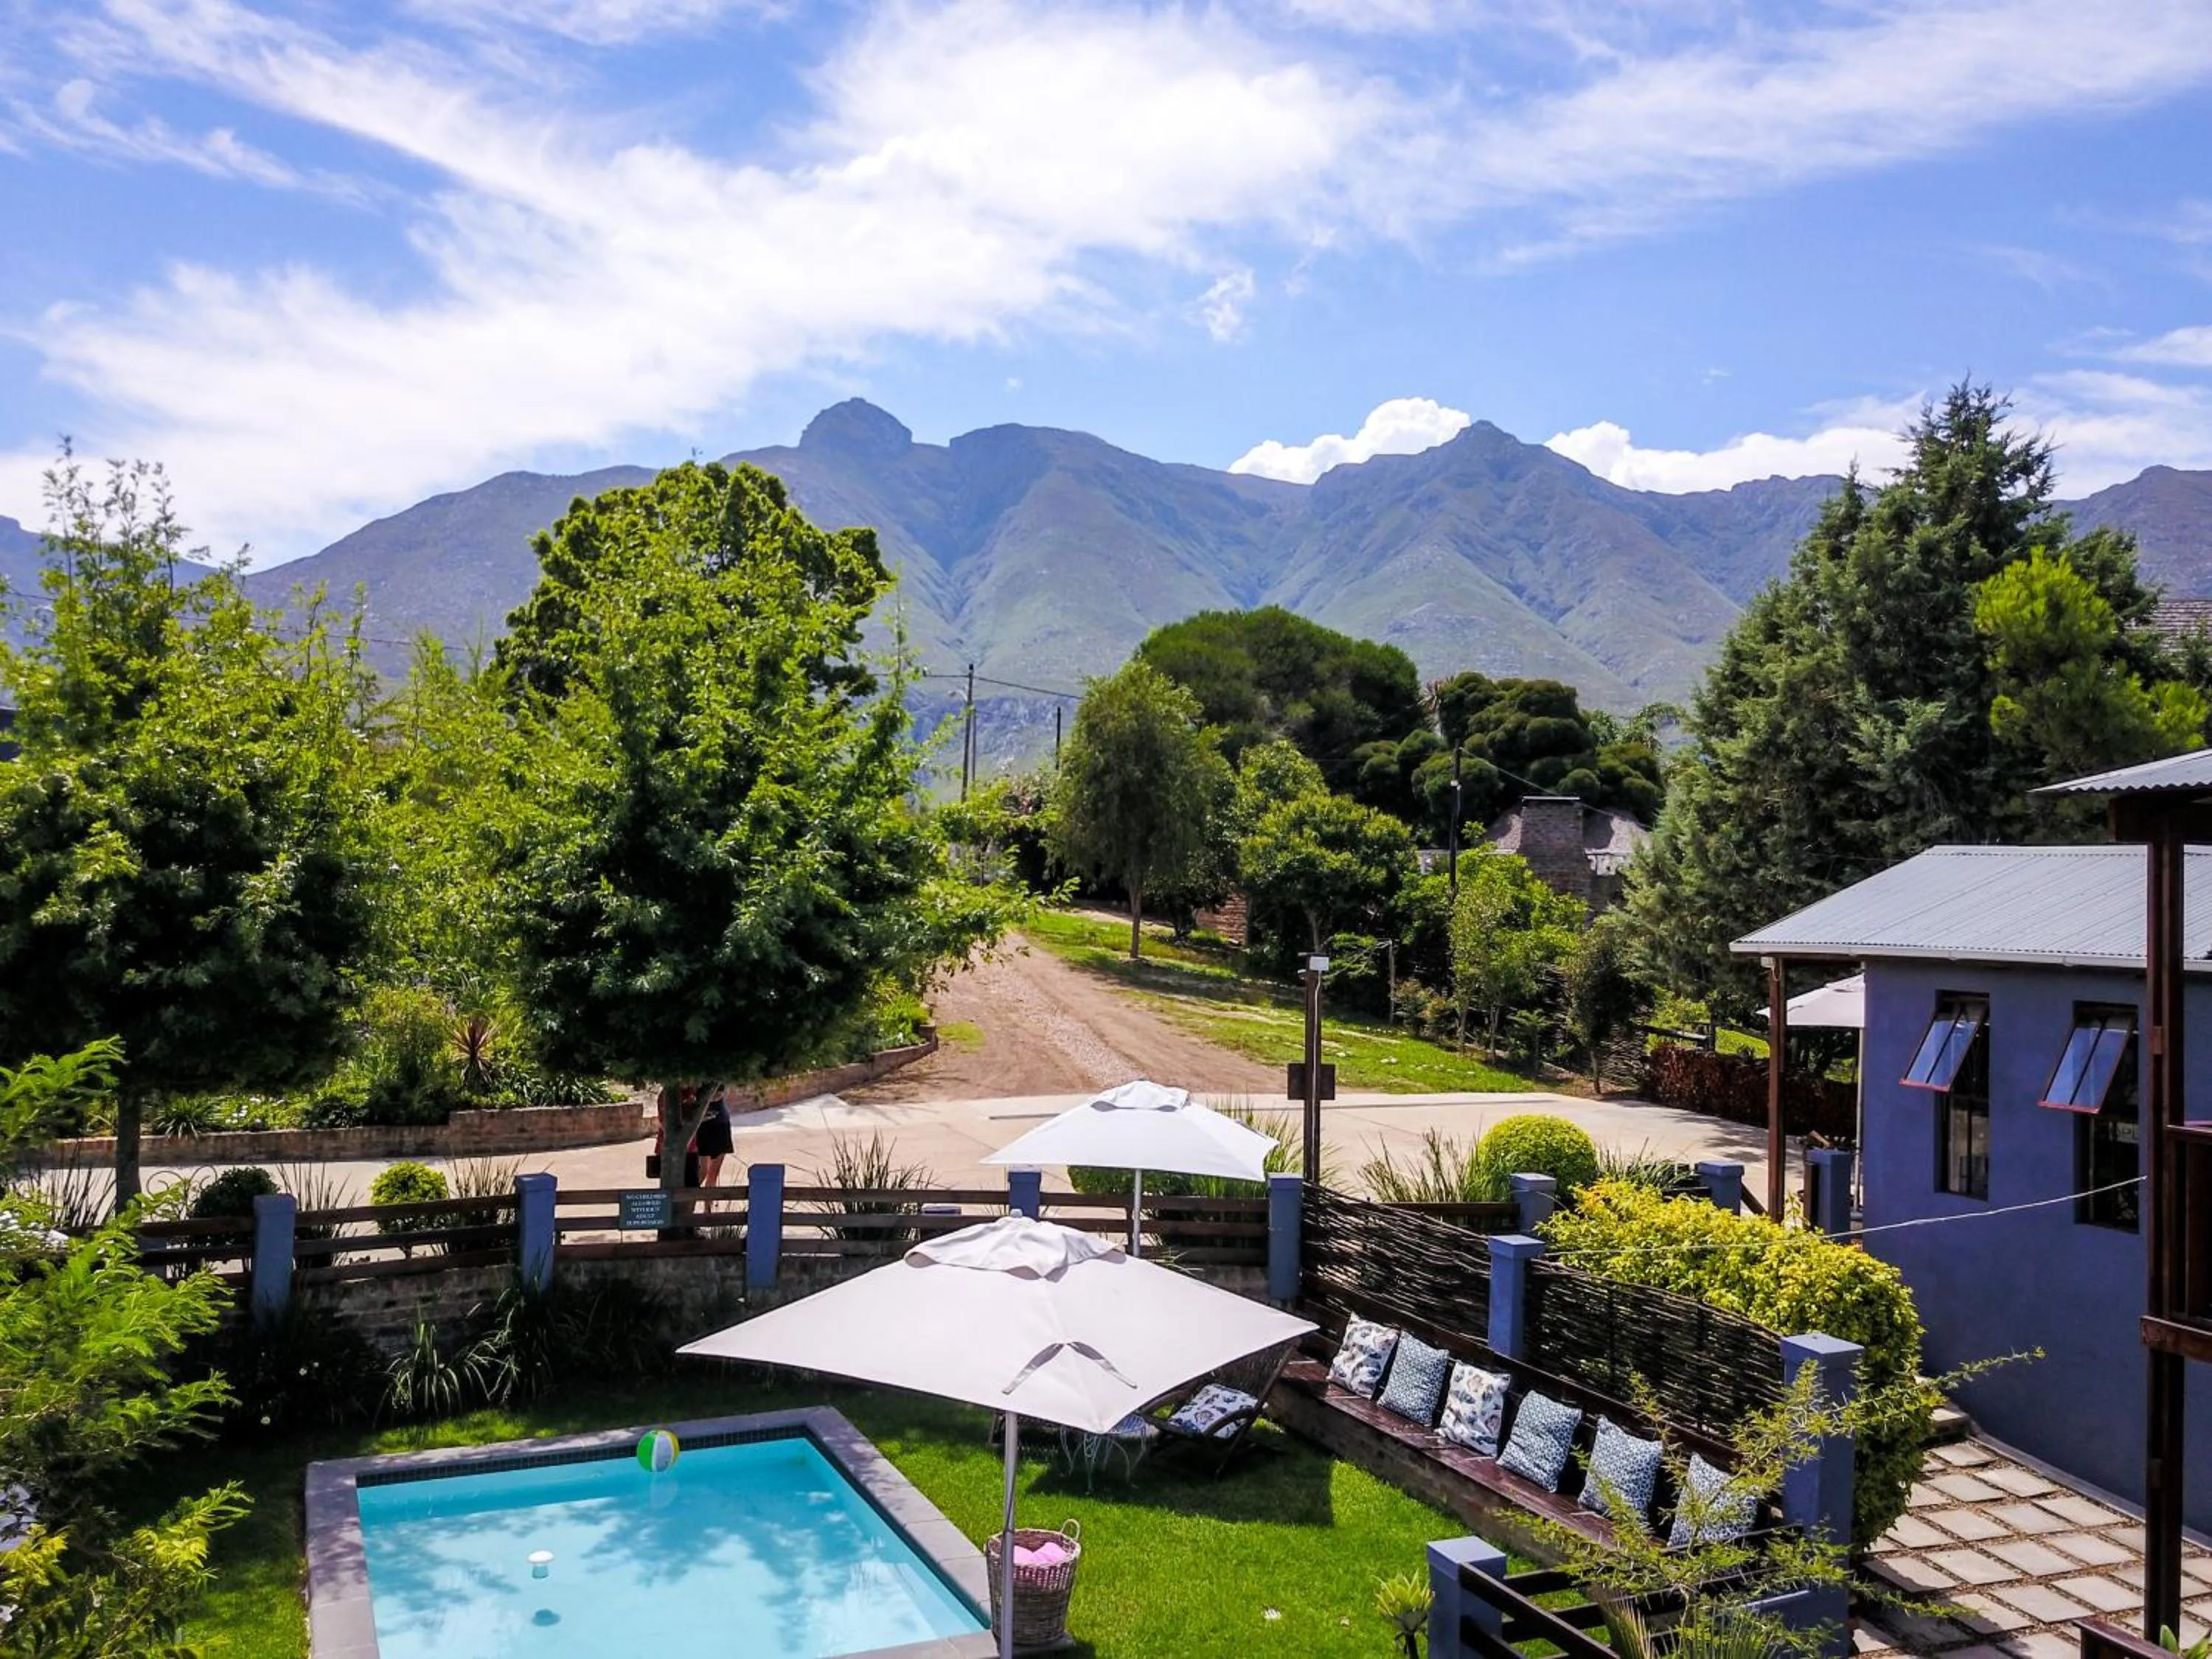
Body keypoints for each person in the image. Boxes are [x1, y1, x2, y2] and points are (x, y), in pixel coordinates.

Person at [695, 1085, 734, 1187]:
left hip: (720, 1123)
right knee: (703, 1171)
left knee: (713, 1173)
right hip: (702, 1125)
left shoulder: (718, 1078)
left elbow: (719, 1095)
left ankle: (709, 1202)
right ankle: (687, 1201)